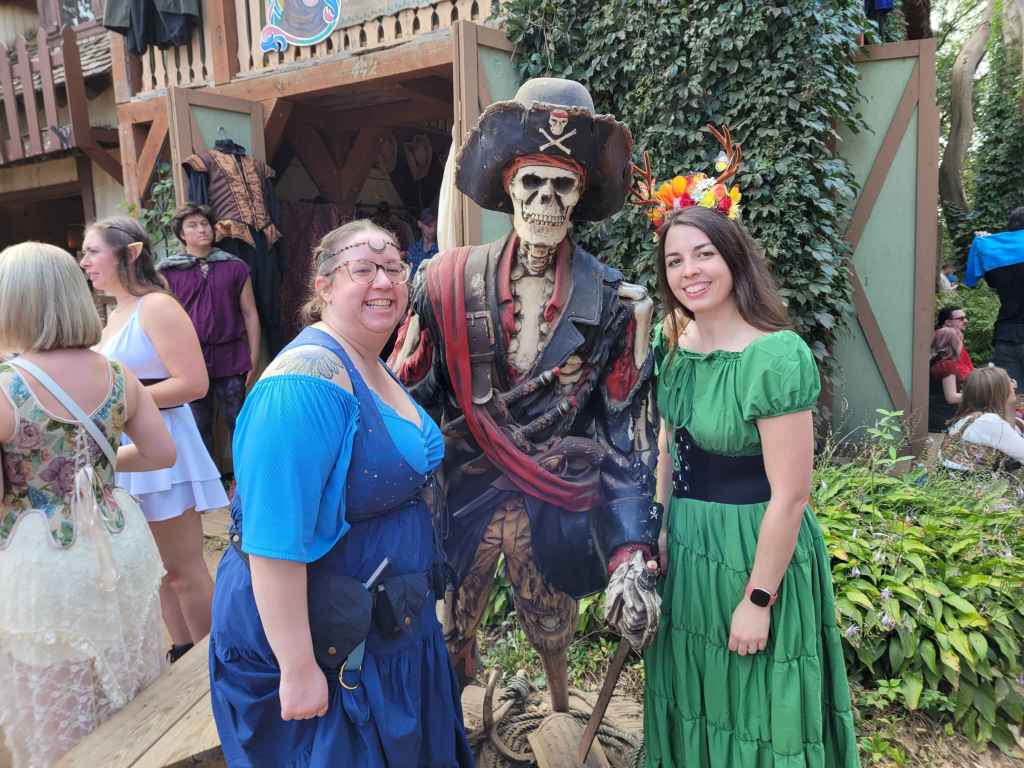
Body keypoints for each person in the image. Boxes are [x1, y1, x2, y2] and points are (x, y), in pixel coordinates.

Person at [390, 77, 662, 711]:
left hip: (556, 495)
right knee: (455, 619)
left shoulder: (614, 301)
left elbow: (624, 437)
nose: (544, 200)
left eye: (561, 186)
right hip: (465, 489)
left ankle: (563, 718)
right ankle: (455, 715)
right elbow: (406, 402)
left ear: (580, 197)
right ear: (508, 188)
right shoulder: (443, 282)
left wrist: (631, 551)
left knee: (553, 623)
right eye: (531, 183)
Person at [209, 220, 472, 767]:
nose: (383, 281)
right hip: (328, 647)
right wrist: (298, 669)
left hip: (386, 627)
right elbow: (273, 541)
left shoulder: (369, 361)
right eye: (363, 270)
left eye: (394, 268)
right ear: (324, 285)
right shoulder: (302, 385)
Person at [636, 148, 859, 766]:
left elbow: (791, 495)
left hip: (754, 553)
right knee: (694, 693)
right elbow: (665, 448)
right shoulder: (672, 344)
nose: (690, 271)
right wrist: (653, 532)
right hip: (687, 550)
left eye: (704, 254)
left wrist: (758, 599)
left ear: (733, 257)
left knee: (757, 705)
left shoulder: (775, 355)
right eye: (675, 260)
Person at [0, 242, 176, 767]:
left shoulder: (7, 387)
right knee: (132, 687)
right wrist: (90, 474)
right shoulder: (118, 374)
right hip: (120, 543)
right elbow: (161, 453)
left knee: (59, 718)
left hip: (43, 562)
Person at [82, 216, 228, 663]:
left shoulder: (158, 307)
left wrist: (119, 403)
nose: (84, 261)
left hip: (163, 442)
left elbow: (194, 383)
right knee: (157, 572)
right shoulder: (112, 315)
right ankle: (182, 651)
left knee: (183, 568)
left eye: (92, 251)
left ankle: (212, 660)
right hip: (129, 447)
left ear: (129, 254)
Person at [159, 203, 261, 458]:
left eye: (204, 224)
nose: (201, 229)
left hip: (232, 355)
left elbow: (250, 312)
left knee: (238, 423)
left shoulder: (235, 266)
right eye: (192, 225)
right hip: (189, 360)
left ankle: (244, 484)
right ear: (181, 234)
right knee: (197, 427)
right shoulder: (168, 272)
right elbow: (161, 319)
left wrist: (254, 357)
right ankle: (207, 492)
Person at [966, 207, 1024, 384]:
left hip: (1006, 335)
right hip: (1008, 334)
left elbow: (989, 281)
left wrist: (987, 243)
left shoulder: (992, 252)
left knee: (1010, 398)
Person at [941, 366, 1024, 473]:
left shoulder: (975, 416)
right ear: (998, 392)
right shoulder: (989, 422)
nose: (1014, 386)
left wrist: (1010, 408)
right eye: (1010, 382)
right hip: (969, 487)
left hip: (956, 484)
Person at [929, 327, 966, 432]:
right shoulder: (947, 365)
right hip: (944, 418)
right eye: (961, 341)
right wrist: (978, 395)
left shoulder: (933, 361)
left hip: (932, 413)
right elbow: (951, 397)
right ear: (955, 344)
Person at [935, 305, 974, 379]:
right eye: (961, 319)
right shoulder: (943, 339)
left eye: (965, 318)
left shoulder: (955, 338)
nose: (966, 321)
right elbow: (952, 368)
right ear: (948, 322)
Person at [406, 207, 438, 280]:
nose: (433, 230)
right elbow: (409, 276)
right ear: (420, 224)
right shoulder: (413, 250)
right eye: (429, 226)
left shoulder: (441, 249)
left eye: (435, 226)